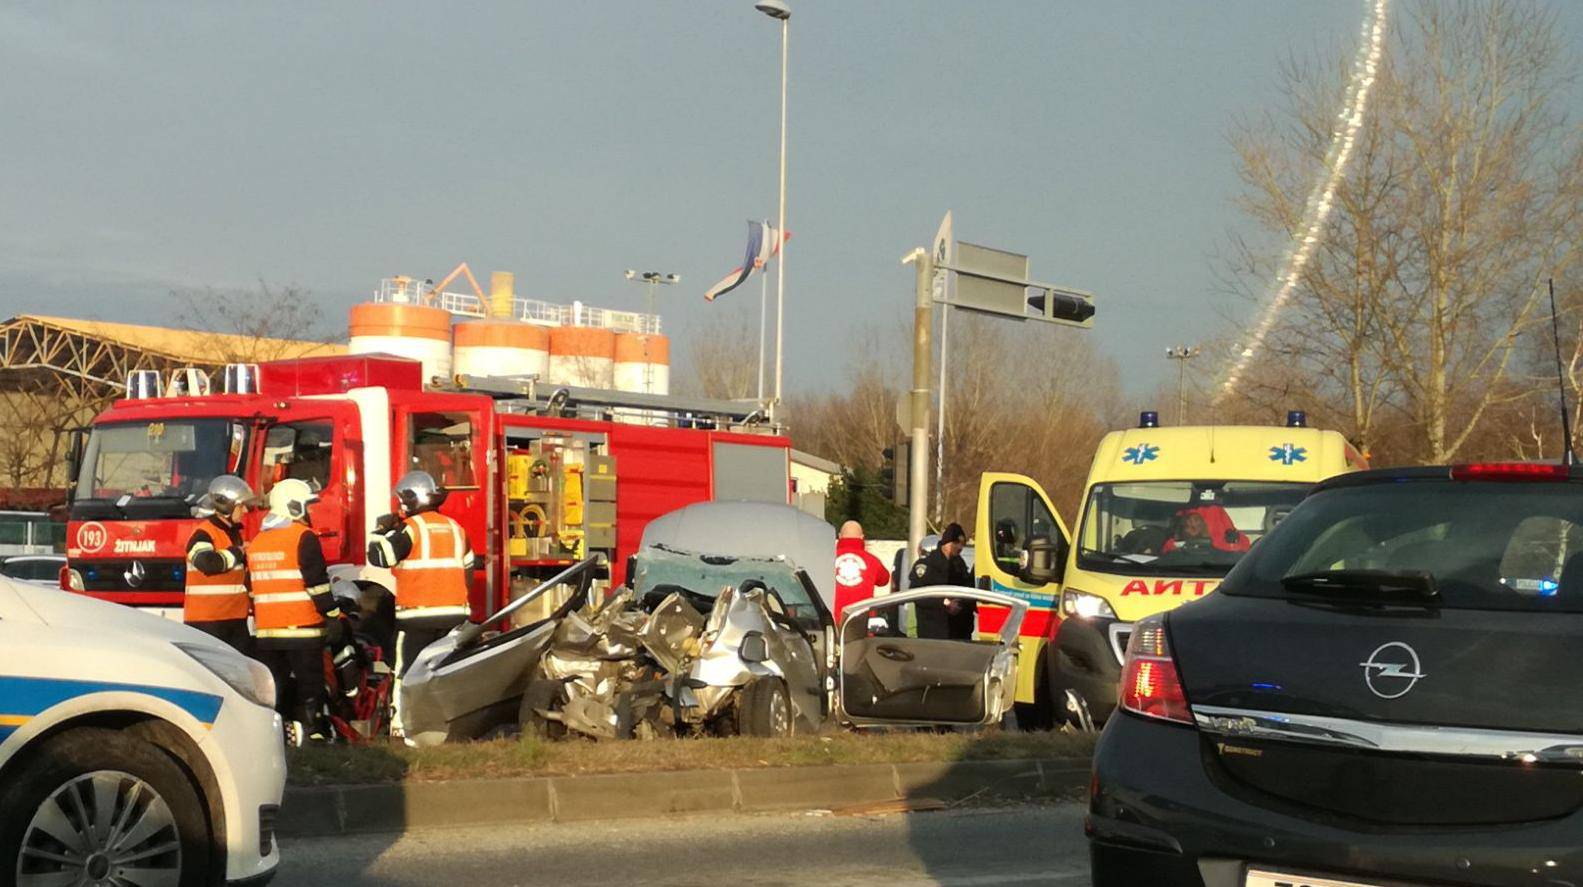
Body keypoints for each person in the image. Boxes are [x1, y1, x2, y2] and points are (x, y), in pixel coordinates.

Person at [368, 470, 475, 713]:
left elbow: (379, 557)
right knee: (448, 673)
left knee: (406, 673)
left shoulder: (410, 529)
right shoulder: (456, 528)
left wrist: (380, 531)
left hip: (416, 618)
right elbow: (468, 571)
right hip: (455, 617)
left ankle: (402, 725)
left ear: (410, 498)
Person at [248, 478, 341, 743]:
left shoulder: (258, 541)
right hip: (302, 628)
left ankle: (277, 737)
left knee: (274, 688)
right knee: (309, 685)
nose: (309, 512)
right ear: (294, 506)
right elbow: (316, 583)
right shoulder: (303, 537)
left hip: (267, 632)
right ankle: (314, 733)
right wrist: (333, 615)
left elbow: (253, 589)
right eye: (306, 506)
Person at [183, 475, 255, 655]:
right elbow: (207, 563)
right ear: (228, 507)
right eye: (241, 506)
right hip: (208, 622)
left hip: (234, 619)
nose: (245, 510)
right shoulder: (204, 533)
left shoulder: (233, 533)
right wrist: (238, 552)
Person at [910, 522, 976, 640]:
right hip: (933, 632)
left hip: (957, 632)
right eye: (957, 543)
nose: (960, 547)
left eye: (962, 544)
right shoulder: (926, 565)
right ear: (947, 542)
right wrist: (944, 603)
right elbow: (918, 595)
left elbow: (965, 587)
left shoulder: (958, 564)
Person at [833, 520, 890, 624]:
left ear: (840, 536)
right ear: (862, 537)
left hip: (832, 622)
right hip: (862, 623)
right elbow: (884, 580)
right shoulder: (873, 561)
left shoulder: (827, 559)